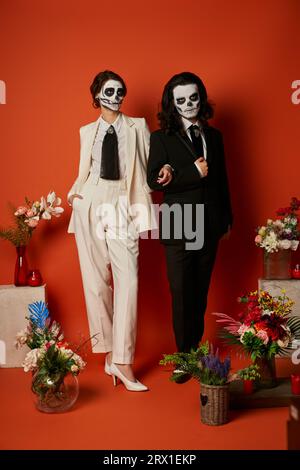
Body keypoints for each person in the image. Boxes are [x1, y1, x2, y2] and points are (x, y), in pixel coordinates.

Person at [67, 70, 155, 391]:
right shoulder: (86, 131)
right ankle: (108, 354)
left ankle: (123, 361)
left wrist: (170, 172)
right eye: (109, 91)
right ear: (97, 96)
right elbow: (83, 171)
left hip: (122, 204)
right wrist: (75, 196)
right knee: (96, 283)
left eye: (120, 91)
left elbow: (151, 163)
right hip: (90, 204)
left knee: (128, 280)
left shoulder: (138, 127)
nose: (116, 96)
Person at [147, 72, 232, 380]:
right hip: (179, 222)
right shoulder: (160, 138)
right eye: (180, 100)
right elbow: (154, 180)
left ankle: (194, 349)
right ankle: (184, 357)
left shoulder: (215, 136)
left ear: (201, 98)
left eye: (193, 98)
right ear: (172, 103)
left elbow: (222, 179)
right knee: (181, 292)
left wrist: (227, 218)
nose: (188, 105)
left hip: (210, 222)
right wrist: (191, 172)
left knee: (199, 291)